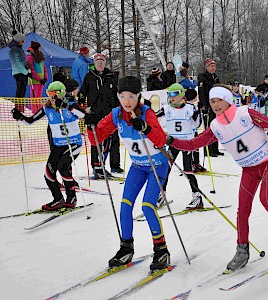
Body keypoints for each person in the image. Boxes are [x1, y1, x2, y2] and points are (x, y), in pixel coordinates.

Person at [167, 84, 268, 270]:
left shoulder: (245, 113)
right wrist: (171, 141)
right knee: (243, 209)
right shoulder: (215, 126)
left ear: (228, 100)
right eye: (212, 101)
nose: (215, 105)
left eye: (219, 100)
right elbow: (193, 144)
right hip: (249, 169)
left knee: (266, 198)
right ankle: (242, 250)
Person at [85, 76, 171, 271]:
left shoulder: (147, 113)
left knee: (148, 206)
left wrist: (146, 128)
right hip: (138, 167)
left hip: (157, 166)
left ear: (138, 96)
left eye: (131, 96)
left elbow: (160, 140)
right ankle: (126, 248)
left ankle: (161, 249)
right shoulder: (116, 114)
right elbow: (96, 139)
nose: (127, 101)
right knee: (125, 206)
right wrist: (90, 125)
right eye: (122, 96)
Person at [11, 81, 86, 210]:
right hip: (58, 145)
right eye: (49, 93)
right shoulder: (47, 108)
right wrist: (20, 117)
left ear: (62, 94)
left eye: (54, 93)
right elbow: (30, 121)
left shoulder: (71, 106)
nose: (51, 96)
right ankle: (58, 199)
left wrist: (66, 106)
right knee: (49, 173)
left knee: (63, 167)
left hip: (73, 144)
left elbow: (85, 115)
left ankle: (71, 197)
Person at [156, 83, 203, 209]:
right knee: (166, 168)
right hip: (173, 143)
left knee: (188, 169)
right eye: (169, 94)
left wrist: (198, 115)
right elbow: (154, 118)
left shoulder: (190, 108)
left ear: (181, 94)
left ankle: (197, 197)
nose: (171, 97)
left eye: (174, 94)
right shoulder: (167, 108)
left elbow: (197, 125)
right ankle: (161, 194)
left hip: (187, 144)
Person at [79, 53, 123, 177]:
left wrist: (119, 108)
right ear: (94, 63)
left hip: (110, 112)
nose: (100, 64)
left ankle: (115, 165)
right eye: (97, 62)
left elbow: (117, 94)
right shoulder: (89, 77)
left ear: (105, 63)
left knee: (114, 139)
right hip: (95, 113)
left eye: (102, 62)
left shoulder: (111, 76)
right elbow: (82, 93)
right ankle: (97, 166)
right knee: (97, 140)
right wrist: (83, 106)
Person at [197, 58, 222, 157]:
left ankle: (215, 148)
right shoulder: (203, 77)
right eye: (211, 66)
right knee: (208, 128)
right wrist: (204, 105)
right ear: (207, 67)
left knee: (216, 127)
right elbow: (201, 93)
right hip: (207, 105)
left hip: (216, 106)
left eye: (214, 66)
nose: (213, 68)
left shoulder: (216, 77)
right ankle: (208, 150)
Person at [8, 30, 28, 112]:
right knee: (20, 91)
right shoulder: (14, 50)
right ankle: (18, 109)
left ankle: (20, 108)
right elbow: (17, 63)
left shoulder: (18, 49)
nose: (24, 43)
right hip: (19, 73)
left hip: (21, 72)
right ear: (19, 41)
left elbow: (22, 61)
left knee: (22, 91)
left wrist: (26, 66)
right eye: (23, 41)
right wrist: (26, 72)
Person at [26, 41, 48, 113]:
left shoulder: (40, 57)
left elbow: (44, 68)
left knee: (39, 97)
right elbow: (32, 70)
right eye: (39, 48)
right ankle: (35, 112)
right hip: (34, 81)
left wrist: (45, 78)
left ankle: (39, 111)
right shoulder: (30, 57)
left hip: (41, 81)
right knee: (34, 97)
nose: (40, 49)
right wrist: (39, 79)